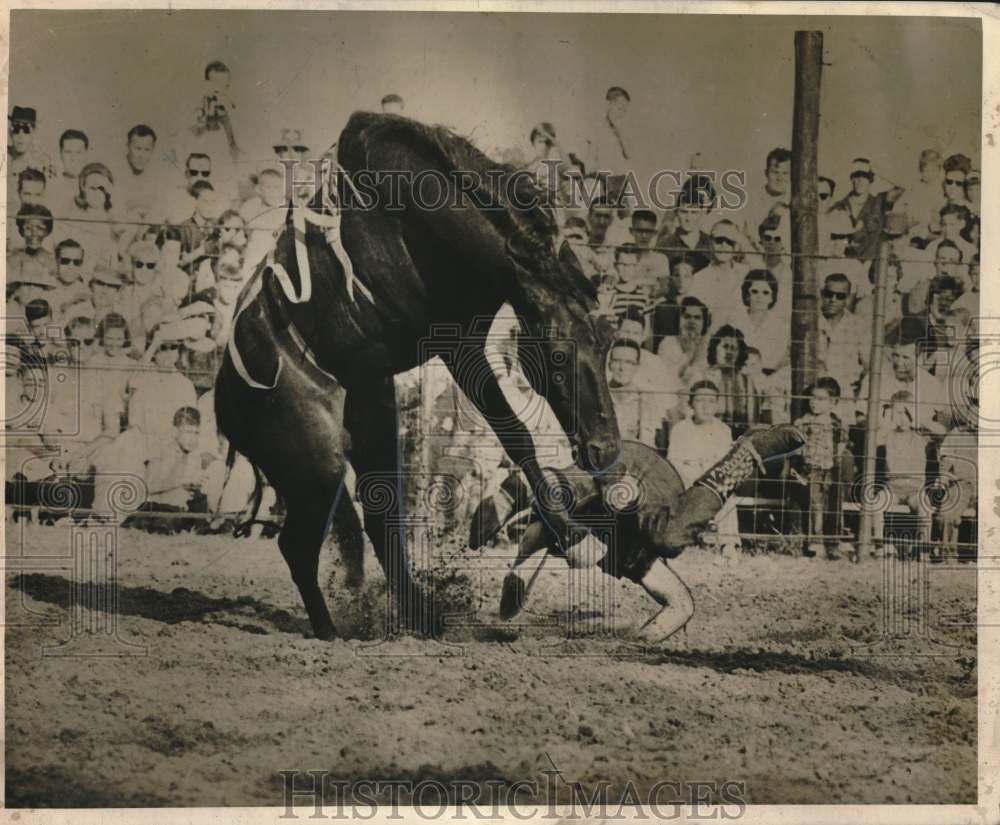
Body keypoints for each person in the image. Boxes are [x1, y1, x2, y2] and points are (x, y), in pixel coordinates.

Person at [667, 380, 740, 551]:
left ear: (717, 406)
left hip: (712, 477)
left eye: (711, 402)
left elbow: (724, 463)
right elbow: (674, 461)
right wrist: (691, 476)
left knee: (726, 496)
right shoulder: (680, 429)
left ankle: (728, 544)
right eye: (700, 401)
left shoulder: (723, 430)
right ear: (691, 403)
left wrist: (710, 478)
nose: (706, 407)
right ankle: (679, 540)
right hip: (687, 477)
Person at [127, 406, 220, 533]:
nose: (192, 438)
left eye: (196, 433)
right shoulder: (162, 452)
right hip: (158, 510)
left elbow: (190, 492)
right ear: (175, 431)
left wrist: (197, 487)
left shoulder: (194, 456)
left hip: (181, 511)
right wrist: (184, 480)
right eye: (188, 432)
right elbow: (149, 486)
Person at [791, 377, 853, 560]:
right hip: (811, 469)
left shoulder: (837, 424)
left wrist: (835, 462)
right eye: (812, 398)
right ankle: (815, 542)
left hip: (831, 470)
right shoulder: (803, 423)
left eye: (820, 399)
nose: (814, 403)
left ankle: (833, 543)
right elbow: (797, 447)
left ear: (833, 402)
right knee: (815, 506)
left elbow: (841, 446)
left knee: (833, 506)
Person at [874, 390, 932, 556]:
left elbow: (939, 431)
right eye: (897, 413)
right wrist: (887, 419)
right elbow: (877, 438)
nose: (902, 417)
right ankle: (881, 545)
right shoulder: (888, 435)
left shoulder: (920, 436)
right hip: (893, 488)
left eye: (906, 412)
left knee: (925, 508)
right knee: (876, 503)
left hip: (915, 489)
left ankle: (923, 548)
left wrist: (917, 418)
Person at [125, 328, 198, 440]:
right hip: (140, 442)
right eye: (163, 348)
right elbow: (131, 382)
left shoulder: (185, 385)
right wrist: (155, 343)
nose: (168, 353)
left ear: (178, 352)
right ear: (154, 352)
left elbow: (189, 426)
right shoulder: (143, 376)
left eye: (173, 347)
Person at [830, 158, 904, 262]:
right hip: (849, 263)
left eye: (865, 177)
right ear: (851, 179)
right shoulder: (839, 206)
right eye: (856, 176)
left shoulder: (879, 202)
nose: (860, 181)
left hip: (874, 265)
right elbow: (833, 240)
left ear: (870, 180)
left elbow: (902, 187)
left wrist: (877, 170)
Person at [817, 270, 869, 416]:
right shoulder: (811, 320)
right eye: (829, 294)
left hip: (846, 392)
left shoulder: (858, 325)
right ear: (822, 294)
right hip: (814, 390)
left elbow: (867, 366)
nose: (833, 299)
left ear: (847, 298)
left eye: (840, 296)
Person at [685, 219, 749, 323]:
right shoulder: (698, 279)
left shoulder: (746, 273)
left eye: (729, 241)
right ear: (710, 243)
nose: (723, 245)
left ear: (736, 246)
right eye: (719, 240)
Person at [607, 338, 663, 447]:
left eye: (629, 362)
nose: (622, 368)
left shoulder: (646, 398)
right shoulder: (600, 395)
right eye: (617, 361)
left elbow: (648, 443)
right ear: (610, 365)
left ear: (636, 367)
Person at [658, 174, 713, 273]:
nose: (688, 218)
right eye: (683, 212)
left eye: (694, 212)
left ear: (702, 212)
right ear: (677, 212)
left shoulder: (712, 244)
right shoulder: (664, 245)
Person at [656, 295, 711, 385]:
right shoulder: (667, 343)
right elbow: (664, 378)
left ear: (704, 322)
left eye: (697, 317)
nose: (692, 321)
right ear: (679, 320)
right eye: (687, 316)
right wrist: (688, 354)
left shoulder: (709, 344)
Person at [7, 106, 55, 189]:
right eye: (16, 129)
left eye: (26, 130)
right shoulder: (3, 155)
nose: (20, 136)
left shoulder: (44, 163)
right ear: (10, 132)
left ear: (34, 132)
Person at [48, 129, 90, 212]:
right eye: (68, 152)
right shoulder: (51, 187)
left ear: (86, 154)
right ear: (60, 154)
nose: (73, 158)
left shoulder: (94, 186)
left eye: (78, 152)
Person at [8, 203, 56, 274]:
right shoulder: (11, 258)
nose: (34, 233)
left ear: (47, 231)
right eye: (28, 228)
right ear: (21, 231)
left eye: (40, 228)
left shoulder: (51, 261)